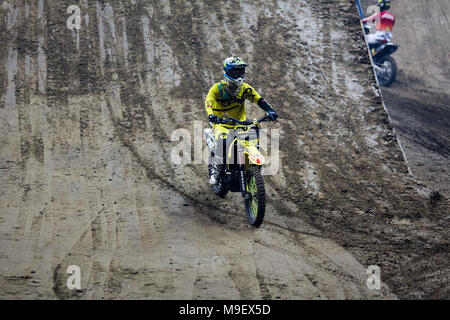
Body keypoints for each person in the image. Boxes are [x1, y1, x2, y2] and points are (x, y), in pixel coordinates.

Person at [204, 56, 278, 185]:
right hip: (222, 124)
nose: (238, 75)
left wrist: (270, 110)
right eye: (235, 72)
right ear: (227, 73)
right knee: (224, 141)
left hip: (240, 123)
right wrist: (211, 115)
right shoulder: (217, 89)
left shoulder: (245, 88)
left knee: (253, 136)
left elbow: (259, 99)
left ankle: (251, 169)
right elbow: (209, 102)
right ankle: (216, 173)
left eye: (241, 72)